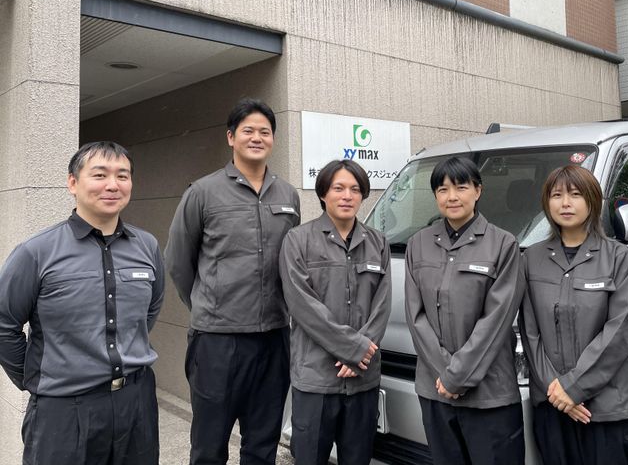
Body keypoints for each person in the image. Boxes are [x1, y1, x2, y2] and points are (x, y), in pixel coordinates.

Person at [0, 141, 164, 465]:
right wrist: (39, 379)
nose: (113, 185)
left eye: (122, 176)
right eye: (100, 175)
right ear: (73, 183)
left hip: (137, 404)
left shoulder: (147, 246)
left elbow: (149, 311)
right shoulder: (36, 252)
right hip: (64, 410)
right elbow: (4, 326)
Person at [166, 98, 301, 465]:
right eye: (248, 131)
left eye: (265, 132)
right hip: (217, 342)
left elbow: (292, 261)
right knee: (209, 448)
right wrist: (208, 305)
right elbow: (178, 262)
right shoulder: (203, 192)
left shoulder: (288, 195)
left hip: (274, 339)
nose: (257, 138)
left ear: (273, 139)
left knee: (262, 446)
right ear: (231, 137)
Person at [404, 156, 525, 465]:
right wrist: (446, 374)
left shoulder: (503, 244)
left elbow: (497, 319)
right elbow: (416, 317)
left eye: (461, 187)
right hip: (436, 389)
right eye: (443, 189)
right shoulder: (418, 243)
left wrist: (457, 375)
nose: (452, 197)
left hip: (489, 393)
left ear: (478, 191)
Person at [519, 165, 628, 465]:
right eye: (557, 195)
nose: (565, 203)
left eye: (575, 195)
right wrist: (557, 390)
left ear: (592, 200)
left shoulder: (619, 257)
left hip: (607, 405)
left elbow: (621, 330)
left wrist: (573, 388)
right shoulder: (531, 258)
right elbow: (530, 332)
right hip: (552, 404)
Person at [279, 159, 391, 465]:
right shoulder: (298, 240)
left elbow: (382, 305)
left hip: (363, 379)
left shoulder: (378, 242)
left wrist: (361, 353)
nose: (347, 196)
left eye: (355, 189)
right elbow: (301, 304)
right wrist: (353, 349)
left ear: (363, 194)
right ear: (323, 193)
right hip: (316, 378)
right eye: (338, 188)